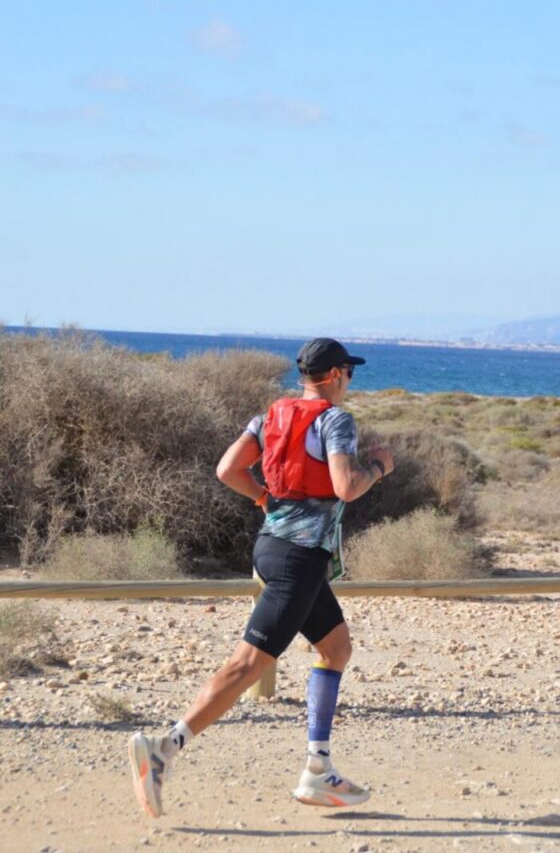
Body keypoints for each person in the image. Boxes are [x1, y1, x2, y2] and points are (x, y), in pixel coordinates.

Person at [128, 338, 394, 819]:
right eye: (349, 373)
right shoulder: (336, 421)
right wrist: (378, 466)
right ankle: (164, 748)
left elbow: (227, 470)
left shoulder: (270, 416)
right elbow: (346, 487)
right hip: (298, 561)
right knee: (246, 665)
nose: (350, 382)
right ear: (336, 375)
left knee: (336, 648)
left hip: (273, 549)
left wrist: (264, 499)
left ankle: (318, 769)